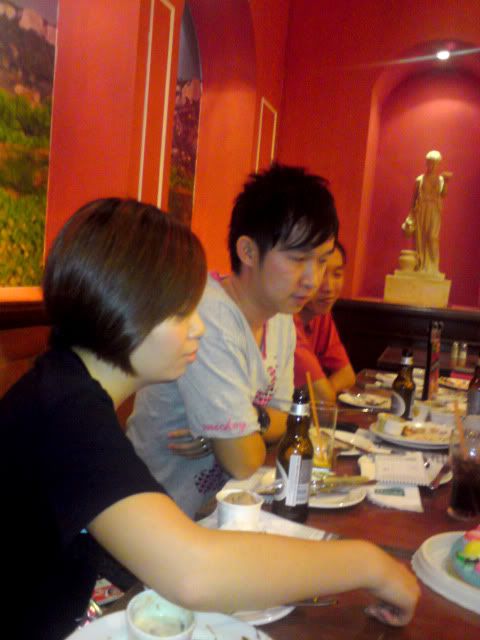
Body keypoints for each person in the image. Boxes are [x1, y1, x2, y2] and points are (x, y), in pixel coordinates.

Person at [0, 198, 420, 637]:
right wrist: (371, 565)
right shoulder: (66, 414)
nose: (198, 327)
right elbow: (193, 572)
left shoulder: (68, 388)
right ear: (121, 307)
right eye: (182, 311)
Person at [127, 164, 338, 518]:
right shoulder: (209, 317)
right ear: (248, 251)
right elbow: (243, 461)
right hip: (156, 515)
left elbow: (288, 421)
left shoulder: (281, 318)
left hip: (222, 511)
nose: (312, 279)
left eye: (322, 261)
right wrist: (242, 435)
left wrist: (250, 420)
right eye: (298, 259)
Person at [294, 240, 355, 402]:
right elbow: (323, 396)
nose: (329, 287)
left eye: (337, 274)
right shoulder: (284, 320)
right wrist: (324, 393)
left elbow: (347, 374)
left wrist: (327, 389)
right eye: (321, 273)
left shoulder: (321, 315)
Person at [402, 150, 453, 274]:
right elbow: (414, 200)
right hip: (421, 210)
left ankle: (434, 268)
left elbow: (443, 194)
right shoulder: (420, 179)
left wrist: (446, 182)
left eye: (435, 163)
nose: (432, 166)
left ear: (438, 164)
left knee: (432, 237)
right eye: (430, 163)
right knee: (421, 239)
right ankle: (421, 266)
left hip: (434, 210)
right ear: (426, 163)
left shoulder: (440, 179)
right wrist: (410, 216)